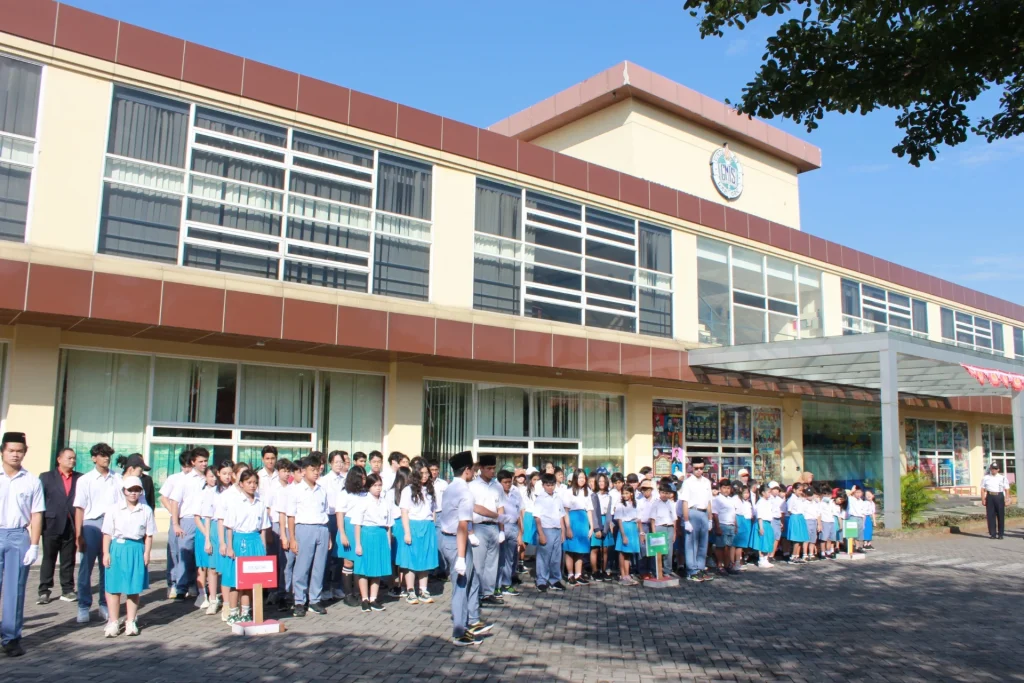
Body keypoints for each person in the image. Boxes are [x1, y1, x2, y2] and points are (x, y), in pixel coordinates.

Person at [439, 451, 490, 646]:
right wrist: (461, 557)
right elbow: (462, 526)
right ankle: (460, 631)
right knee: (461, 586)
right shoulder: (465, 492)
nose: (475, 473)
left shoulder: (451, 487)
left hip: (448, 539)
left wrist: (495, 515)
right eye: (474, 470)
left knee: (472, 579)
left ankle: (471, 620)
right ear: (467, 470)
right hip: (456, 541)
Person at [0, 432, 44, 657]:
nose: (16, 454)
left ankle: (11, 638)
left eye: (20, 451)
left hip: (18, 535)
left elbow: (37, 514)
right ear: (2, 451)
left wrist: (34, 545)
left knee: (14, 590)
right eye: (11, 450)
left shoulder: (32, 480)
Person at [100, 476, 155, 638]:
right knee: (113, 587)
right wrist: (106, 553)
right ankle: (113, 621)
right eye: (130, 490)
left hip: (136, 547)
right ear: (124, 491)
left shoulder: (146, 510)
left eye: (137, 490)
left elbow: (149, 535)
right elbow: (107, 533)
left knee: (133, 586)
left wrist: (146, 553)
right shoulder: (114, 509)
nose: (133, 493)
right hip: (118, 547)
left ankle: (131, 620)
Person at [73, 442, 122, 623]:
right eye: (102, 455)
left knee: (107, 566)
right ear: (94, 458)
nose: (106, 458)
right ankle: (83, 606)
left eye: (108, 455)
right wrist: (79, 534)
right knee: (86, 567)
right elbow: (79, 508)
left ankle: (104, 604)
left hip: (111, 525)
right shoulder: (85, 480)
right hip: (91, 524)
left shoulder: (117, 478)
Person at [222, 468, 270, 625]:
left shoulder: (260, 503)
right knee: (236, 581)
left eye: (255, 483)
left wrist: (263, 548)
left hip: (254, 540)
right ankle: (233, 612)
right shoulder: (235, 502)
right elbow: (229, 527)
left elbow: (263, 528)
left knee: (251, 580)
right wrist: (229, 546)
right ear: (241, 484)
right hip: (239, 541)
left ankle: (246, 611)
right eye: (249, 482)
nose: (252, 486)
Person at [287, 453, 330, 618]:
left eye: (318, 469)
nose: (316, 473)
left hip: (322, 528)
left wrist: (329, 536)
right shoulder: (296, 490)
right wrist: (292, 538)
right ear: (303, 471)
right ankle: (299, 601)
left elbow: (324, 512)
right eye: (312, 469)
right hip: (304, 528)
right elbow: (291, 516)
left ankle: (315, 600)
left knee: (319, 566)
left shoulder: (321, 490)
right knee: (302, 567)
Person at [37, 447, 80, 605]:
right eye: (69, 458)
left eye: (74, 458)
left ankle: (67, 589)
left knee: (68, 559)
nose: (72, 461)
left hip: (71, 523)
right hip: (51, 523)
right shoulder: (46, 477)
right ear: (59, 459)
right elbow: (39, 502)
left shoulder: (79, 478)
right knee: (49, 558)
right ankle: (44, 590)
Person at [169, 447, 208, 602]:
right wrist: (176, 523)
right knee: (185, 554)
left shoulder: (209, 478)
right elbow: (175, 502)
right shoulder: (184, 480)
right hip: (188, 519)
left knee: (202, 554)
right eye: (200, 461)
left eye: (205, 461)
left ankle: (198, 586)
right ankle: (181, 587)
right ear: (193, 462)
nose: (204, 464)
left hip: (205, 519)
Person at [397, 461, 438, 604]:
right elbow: (404, 512)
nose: (425, 476)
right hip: (413, 525)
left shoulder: (430, 489)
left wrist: (432, 525)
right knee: (411, 559)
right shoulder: (408, 490)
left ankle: (423, 589)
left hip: (427, 526)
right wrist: (407, 532)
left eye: (427, 473)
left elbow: (433, 510)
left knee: (425, 559)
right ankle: (410, 590)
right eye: (422, 473)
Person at [354, 472, 392, 612]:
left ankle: (373, 598)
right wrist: (358, 544)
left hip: (380, 534)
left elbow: (388, 525)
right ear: (369, 486)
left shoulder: (384, 502)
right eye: (375, 485)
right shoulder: (363, 501)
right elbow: (357, 524)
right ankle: (364, 599)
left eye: (380, 485)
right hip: (367, 534)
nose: (378, 488)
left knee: (377, 568)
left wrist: (388, 543)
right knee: (364, 568)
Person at [469, 454, 504, 605]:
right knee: (478, 563)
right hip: (478, 526)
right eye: (489, 468)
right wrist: (470, 532)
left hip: (493, 526)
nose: (492, 471)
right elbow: (470, 510)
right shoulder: (472, 486)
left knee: (492, 562)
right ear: (481, 468)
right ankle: (476, 594)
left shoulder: (497, 486)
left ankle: (488, 593)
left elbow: (501, 507)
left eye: (494, 468)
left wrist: (502, 530)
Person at [159, 449, 192, 599]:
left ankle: (190, 583)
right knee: (174, 552)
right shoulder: (174, 479)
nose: (187, 469)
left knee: (188, 553)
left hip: (189, 519)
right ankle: (172, 582)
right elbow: (164, 498)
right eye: (185, 466)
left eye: (189, 466)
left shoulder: (198, 479)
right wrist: (173, 513)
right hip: (176, 520)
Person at [534, 473, 569, 593]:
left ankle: (555, 580)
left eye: (552, 485)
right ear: (543, 485)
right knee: (544, 557)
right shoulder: (540, 498)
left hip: (557, 529)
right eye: (547, 485)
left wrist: (563, 531)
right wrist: (541, 534)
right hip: (546, 529)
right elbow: (537, 518)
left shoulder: (557, 497)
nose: (550, 487)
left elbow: (561, 515)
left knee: (556, 557)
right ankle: (542, 580)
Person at [337, 466, 366, 607]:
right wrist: (342, 533)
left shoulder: (365, 493)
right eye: (361, 477)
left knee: (359, 561)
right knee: (348, 562)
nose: (364, 480)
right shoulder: (345, 493)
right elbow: (340, 514)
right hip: (348, 527)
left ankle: (359, 592)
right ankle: (348, 594)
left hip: (361, 528)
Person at [680, 458, 713, 582]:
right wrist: (686, 520)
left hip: (704, 513)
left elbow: (709, 501)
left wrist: (710, 519)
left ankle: (700, 568)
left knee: (703, 543)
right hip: (693, 512)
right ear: (691, 468)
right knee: (691, 543)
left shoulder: (706, 482)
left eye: (701, 468)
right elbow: (685, 502)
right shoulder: (688, 482)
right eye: (696, 468)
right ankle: (691, 570)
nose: (699, 471)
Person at [322, 450, 347, 601]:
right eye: (336, 462)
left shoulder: (345, 480)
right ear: (330, 463)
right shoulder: (324, 481)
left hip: (343, 518)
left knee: (340, 554)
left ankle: (336, 585)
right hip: (330, 518)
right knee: (327, 554)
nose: (339, 465)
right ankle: (324, 587)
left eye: (341, 462)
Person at [561, 469, 593, 586]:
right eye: (579, 477)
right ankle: (570, 574)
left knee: (581, 550)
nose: (582, 480)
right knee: (570, 550)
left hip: (583, 521)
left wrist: (591, 526)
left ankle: (578, 574)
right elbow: (566, 511)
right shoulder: (568, 492)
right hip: (572, 520)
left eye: (584, 478)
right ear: (575, 478)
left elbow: (589, 509)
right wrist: (568, 527)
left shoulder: (587, 491)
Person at [495, 469, 522, 597]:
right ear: (499, 482)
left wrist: (521, 532)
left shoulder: (515, 494)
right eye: (505, 482)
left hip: (513, 526)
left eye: (509, 482)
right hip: (501, 527)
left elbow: (519, 513)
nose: (508, 484)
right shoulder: (496, 494)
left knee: (511, 558)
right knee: (500, 557)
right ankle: (497, 585)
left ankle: (507, 583)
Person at [648, 483, 678, 578]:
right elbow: (652, 519)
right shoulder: (656, 503)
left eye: (667, 493)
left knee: (669, 550)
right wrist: (654, 533)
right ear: (659, 492)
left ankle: (667, 570)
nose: (665, 495)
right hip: (659, 527)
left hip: (670, 527)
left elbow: (674, 519)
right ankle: (656, 570)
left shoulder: (671, 504)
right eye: (663, 492)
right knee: (658, 550)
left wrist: (674, 532)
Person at [613, 484, 640, 585]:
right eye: (623, 493)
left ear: (631, 494)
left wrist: (639, 532)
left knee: (628, 553)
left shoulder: (635, 504)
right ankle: (623, 574)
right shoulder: (620, 505)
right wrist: (623, 534)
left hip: (632, 528)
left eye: (627, 493)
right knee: (622, 552)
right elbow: (619, 520)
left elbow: (638, 519)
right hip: (625, 528)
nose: (624, 495)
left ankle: (627, 574)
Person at [589, 472, 614, 582]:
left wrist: (608, 525)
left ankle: (603, 570)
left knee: (605, 549)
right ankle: (595, 571)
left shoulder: (609, 496)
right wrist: (596, 528)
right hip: (596, 521)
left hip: (606, 520)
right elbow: (593, 512)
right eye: (600, 481)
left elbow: (609, 512)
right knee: (595, 548)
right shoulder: (594, 496)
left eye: (604, 481)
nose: (602, 483)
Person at [711, 478, 738, 576]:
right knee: (720, 547)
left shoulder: (731, 500)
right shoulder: (717, 499)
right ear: (720, 489)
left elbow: (733, 513)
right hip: (722, 524)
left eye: (728, 488)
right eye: (724, 488)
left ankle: (727, 565)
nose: (726, 490)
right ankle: (720, 566)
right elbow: (715, 514)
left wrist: (736, 525)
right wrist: (717, 526)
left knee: (729, 547)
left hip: (731, 525)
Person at [428, 460, 449, 578]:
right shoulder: (424, 483)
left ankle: (441, 570)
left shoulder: (443, 484)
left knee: (440, 544)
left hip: (441, 514)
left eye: (436, 470)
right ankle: (430, 570)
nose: (434, 472)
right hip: (428, 515)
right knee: (430, 543)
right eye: (432, 470)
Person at [981, 461, 1010, 539]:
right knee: (990, 515)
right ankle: (992, 534)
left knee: (1000, 515)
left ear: (998, 469)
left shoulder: (1002, 478)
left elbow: (1007, 489)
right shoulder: (986, 478)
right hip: (990, 496)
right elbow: (982, 489)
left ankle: (1000, 534)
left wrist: (1007, 499)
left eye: (995, 469)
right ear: (990, 469)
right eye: (992, 469)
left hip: (999, 496)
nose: (993, 470)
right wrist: (983, 499)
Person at [753, 484, 776, 568]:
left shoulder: (768, 501)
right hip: (762, 523)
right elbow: (760, 515)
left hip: (768, 523)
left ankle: (766, 559)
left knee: (768, 541)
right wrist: (761, 527)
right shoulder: (761, 502)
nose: (770, 494)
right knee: (762, 542)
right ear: (763, 493)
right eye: (768, 492)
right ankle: (761, 560)